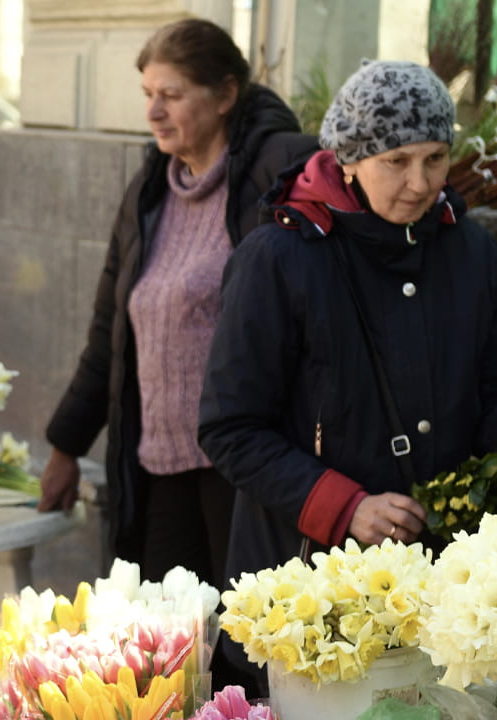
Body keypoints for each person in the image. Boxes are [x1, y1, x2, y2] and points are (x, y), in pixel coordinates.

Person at [197, 60, 497, 691]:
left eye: (435, 158)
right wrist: (345, 507)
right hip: (309, 591)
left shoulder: (473, 254)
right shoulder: (278, 258)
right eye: (397, 161)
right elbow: (230, 428)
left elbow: (495, 392)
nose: (421, 182)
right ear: (349, 159)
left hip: (444, 587)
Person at [39, 18, 316, 587]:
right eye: (148, 94)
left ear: (225, 95)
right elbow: (110, 331)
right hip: (159, 466)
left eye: (172, 94)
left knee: (245, 629)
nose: (153, 111)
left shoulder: (277, 177)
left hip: (245, 470)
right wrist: (66, 445)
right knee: (171, 629)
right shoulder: (148, 192)